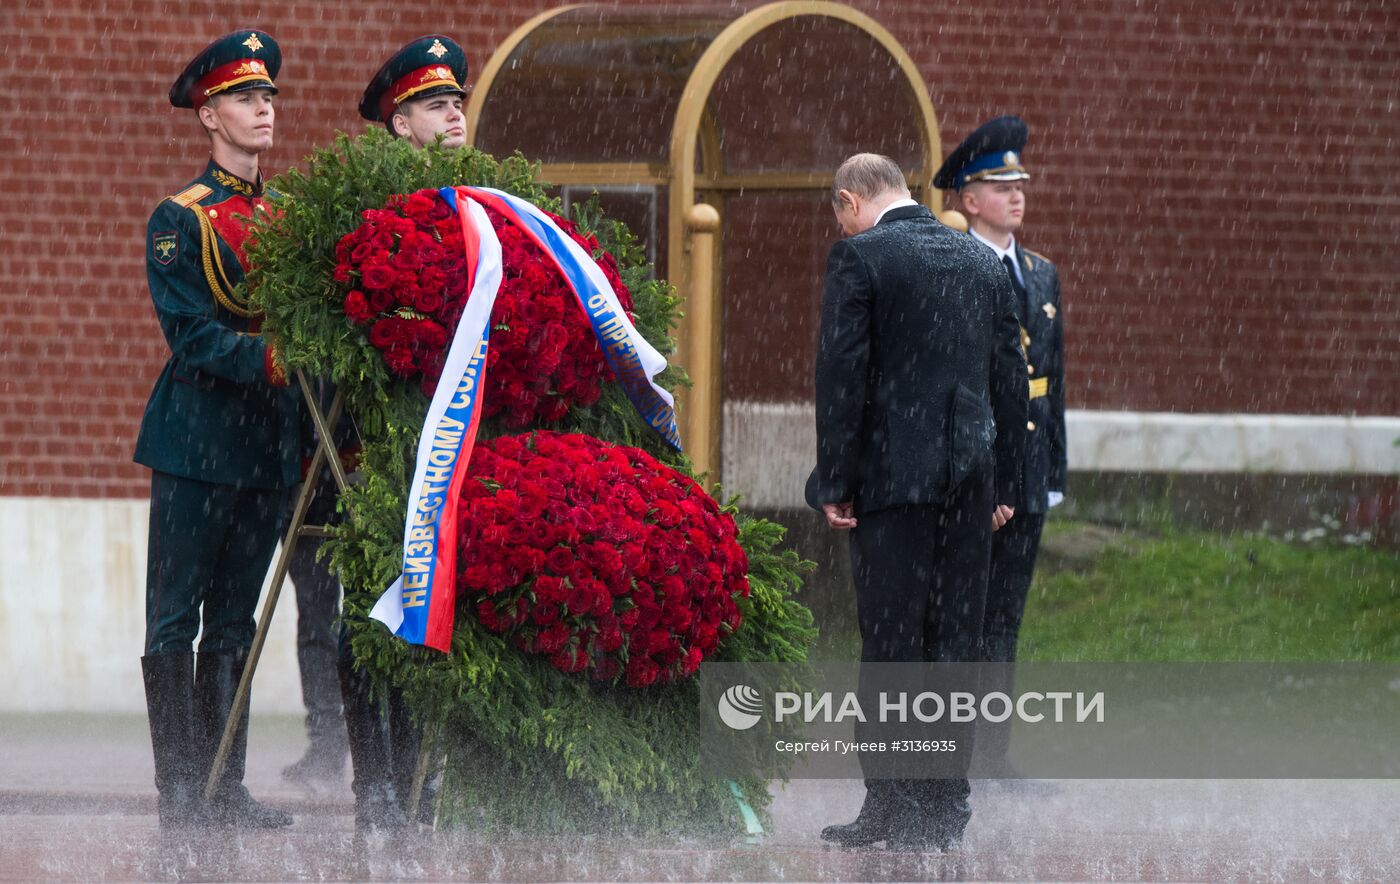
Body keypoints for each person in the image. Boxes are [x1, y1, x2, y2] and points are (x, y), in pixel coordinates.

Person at [806, 154, 1028, 850]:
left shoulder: (861, 260)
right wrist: (1006, 487)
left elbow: (842, 376)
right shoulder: (982, 264)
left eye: (840, 214)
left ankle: (894, 802)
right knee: (954, 644)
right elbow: (1011, 383)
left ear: (850, 201)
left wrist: (836, 481)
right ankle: (943, 805)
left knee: (893, 645)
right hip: (970, 483)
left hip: (892, 482)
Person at [135, 29, 297, 831]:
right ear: (209, 115)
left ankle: (223, 790)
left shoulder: (293, 220)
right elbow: (192, 337)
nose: (262, 110)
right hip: (195, 439)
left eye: (267, 97)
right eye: (244, 98)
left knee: (236, 618)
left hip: (267, 449)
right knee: (175, 615)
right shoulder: (179, 219)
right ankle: (180, 793)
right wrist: (279, 359)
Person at [328, 34, 472, 834]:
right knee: (372, 606)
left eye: (456, 102)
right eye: (433, 105)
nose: (453, 114)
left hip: (455, 435)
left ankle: (422, 778)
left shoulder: (486, 201)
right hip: (379, 440)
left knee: (435, 606)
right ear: (400, 125)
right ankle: (374, 781)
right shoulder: (373, 207)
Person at [934, 118, 1067, 774]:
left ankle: (995, 756)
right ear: (967, 198)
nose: (1016, 195)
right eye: (998, 183)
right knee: (966, 618)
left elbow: (1050, 383)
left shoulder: (1041, 276)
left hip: (1029, 467)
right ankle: (952, 753)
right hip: (978, 469)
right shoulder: (956, 269)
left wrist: (1052, 469)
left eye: (1020, 183)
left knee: (1006, 621)